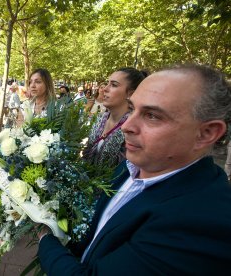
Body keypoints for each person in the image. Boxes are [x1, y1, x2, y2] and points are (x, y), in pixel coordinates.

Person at [37, 64, 231, 275]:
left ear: (207, 133)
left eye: (152, 116)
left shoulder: (202, 223)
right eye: (132, 109)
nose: (127, 126)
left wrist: (45, 236)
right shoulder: (131, 166)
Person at [83, 68, 147, 167]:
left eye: (114, 85)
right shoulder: (100, 119)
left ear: (131, 94)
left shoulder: (134, 128)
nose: (105, 89)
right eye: (107, 83)